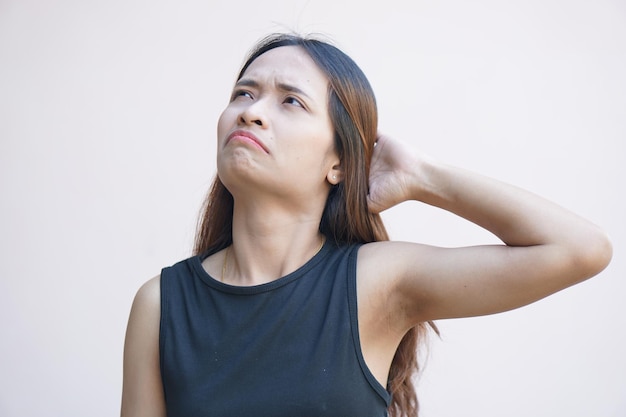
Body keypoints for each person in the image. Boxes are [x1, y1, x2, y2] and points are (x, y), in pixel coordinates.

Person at [120, 33, 612, 417]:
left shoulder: (374, 282)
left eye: (290, 100)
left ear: (338, 162)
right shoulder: (161, 304)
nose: (251, 112)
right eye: (243, 93)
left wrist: (424, 178)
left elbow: (580, 248)